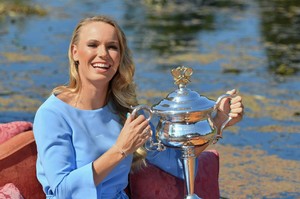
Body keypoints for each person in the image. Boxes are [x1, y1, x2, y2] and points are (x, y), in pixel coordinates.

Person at [33, 15, 244, 199]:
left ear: (120, 57)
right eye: (93, 45)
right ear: (75, 52)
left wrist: (217, 122)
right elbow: (62, 191)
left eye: (112, 47)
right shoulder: (52, 114)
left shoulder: (126, 112)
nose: (103, 54)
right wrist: (121, 149)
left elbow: (176, 163)